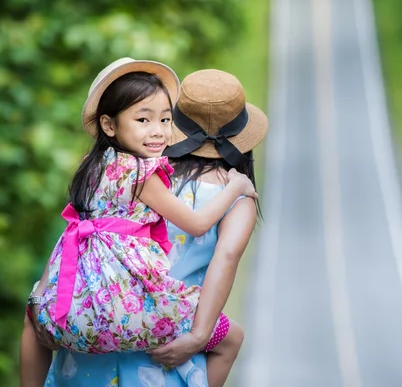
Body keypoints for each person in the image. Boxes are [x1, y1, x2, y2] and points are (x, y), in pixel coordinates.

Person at [20, 59, 262, 387]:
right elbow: (225, 256)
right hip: (156, 318)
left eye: (164, 118)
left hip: (86, 327)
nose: (157, 128)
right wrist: (198, 334)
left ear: (177, 121)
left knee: (35, 316)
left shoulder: (104, 167)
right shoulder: (156, 178)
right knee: (231, 338)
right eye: (147, 118)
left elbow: (72, 235)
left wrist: (40, 297)